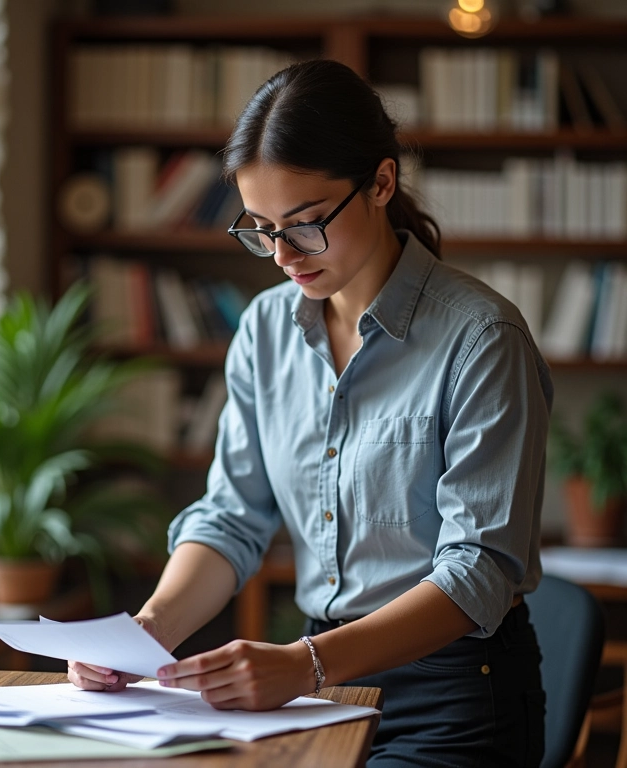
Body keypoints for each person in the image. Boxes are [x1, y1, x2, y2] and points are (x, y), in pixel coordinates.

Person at [69, 59, 553, 767]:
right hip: (316, 683)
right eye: (260, 228)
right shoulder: (267, 330)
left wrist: (306, 664)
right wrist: (147, 632)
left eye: (304, 224)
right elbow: (233, 516)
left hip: (455, 694)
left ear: (381, 183)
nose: (281, 255)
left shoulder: (482, 338)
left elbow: (477, 570)